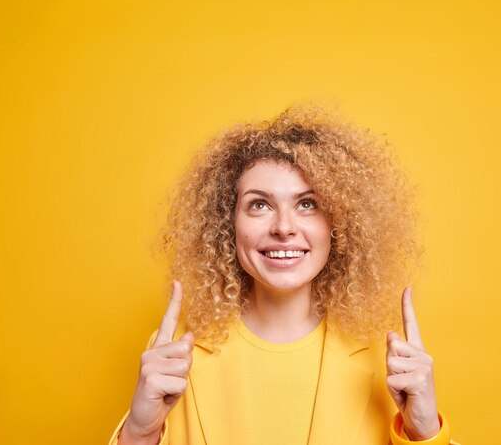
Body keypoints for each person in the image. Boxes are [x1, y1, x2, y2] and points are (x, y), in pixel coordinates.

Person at [109, 104, 460, 445]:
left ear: (339, 223)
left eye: (307, 204)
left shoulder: (390, 362)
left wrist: (424, 431)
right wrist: (140, 432)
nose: (284, 228)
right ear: (226, 223)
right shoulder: (171, 355)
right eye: (259, 204)